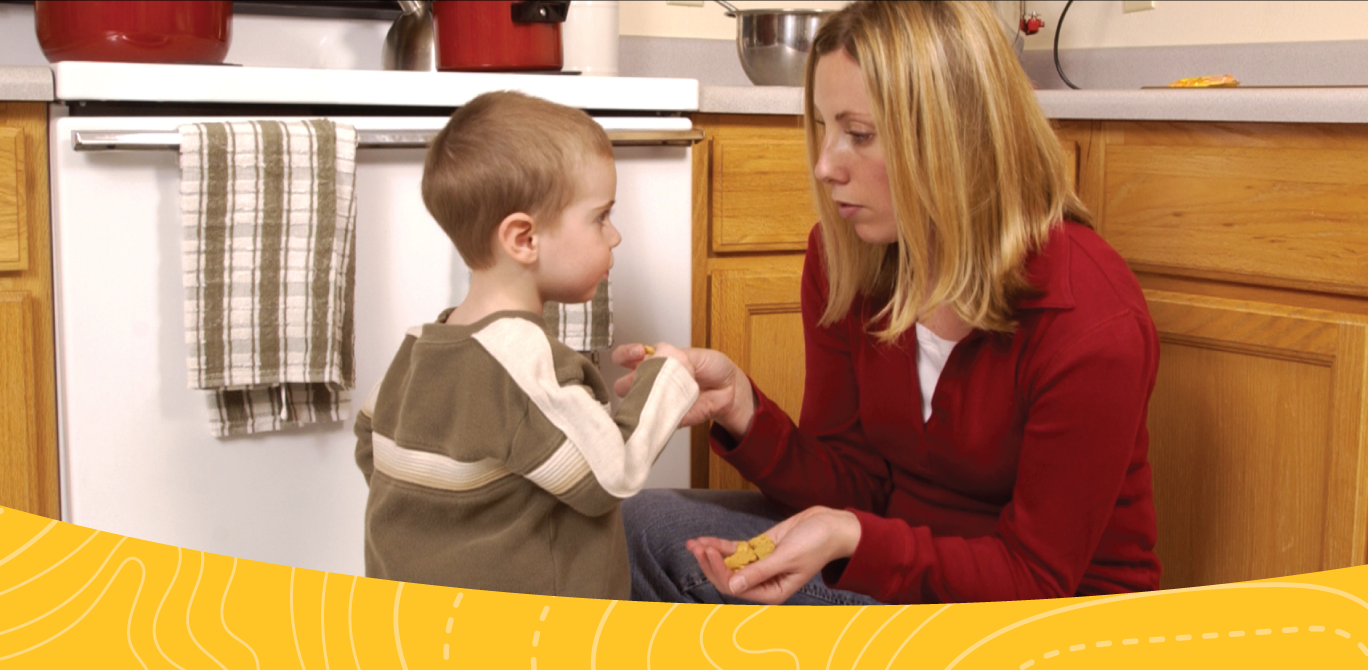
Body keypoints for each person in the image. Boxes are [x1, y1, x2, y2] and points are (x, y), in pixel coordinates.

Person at [615, 0, 1160, 606]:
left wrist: (853, 538)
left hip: (1047, 617)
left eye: (860, 135)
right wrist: (742, 410)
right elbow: (856, 487)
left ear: (958, 136)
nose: (824, 166)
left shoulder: (1088, 319)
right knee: (626, 526)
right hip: (898, 572)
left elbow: (1034, 576)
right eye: (823, 128)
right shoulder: (847, 259)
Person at [353, 91, 698, 599]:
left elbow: (371, 447)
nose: (615, 236)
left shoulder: (418, 347)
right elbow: (612, 472)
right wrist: (667, 376)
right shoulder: (525, 362)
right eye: (601, 216)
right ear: (523, 239)